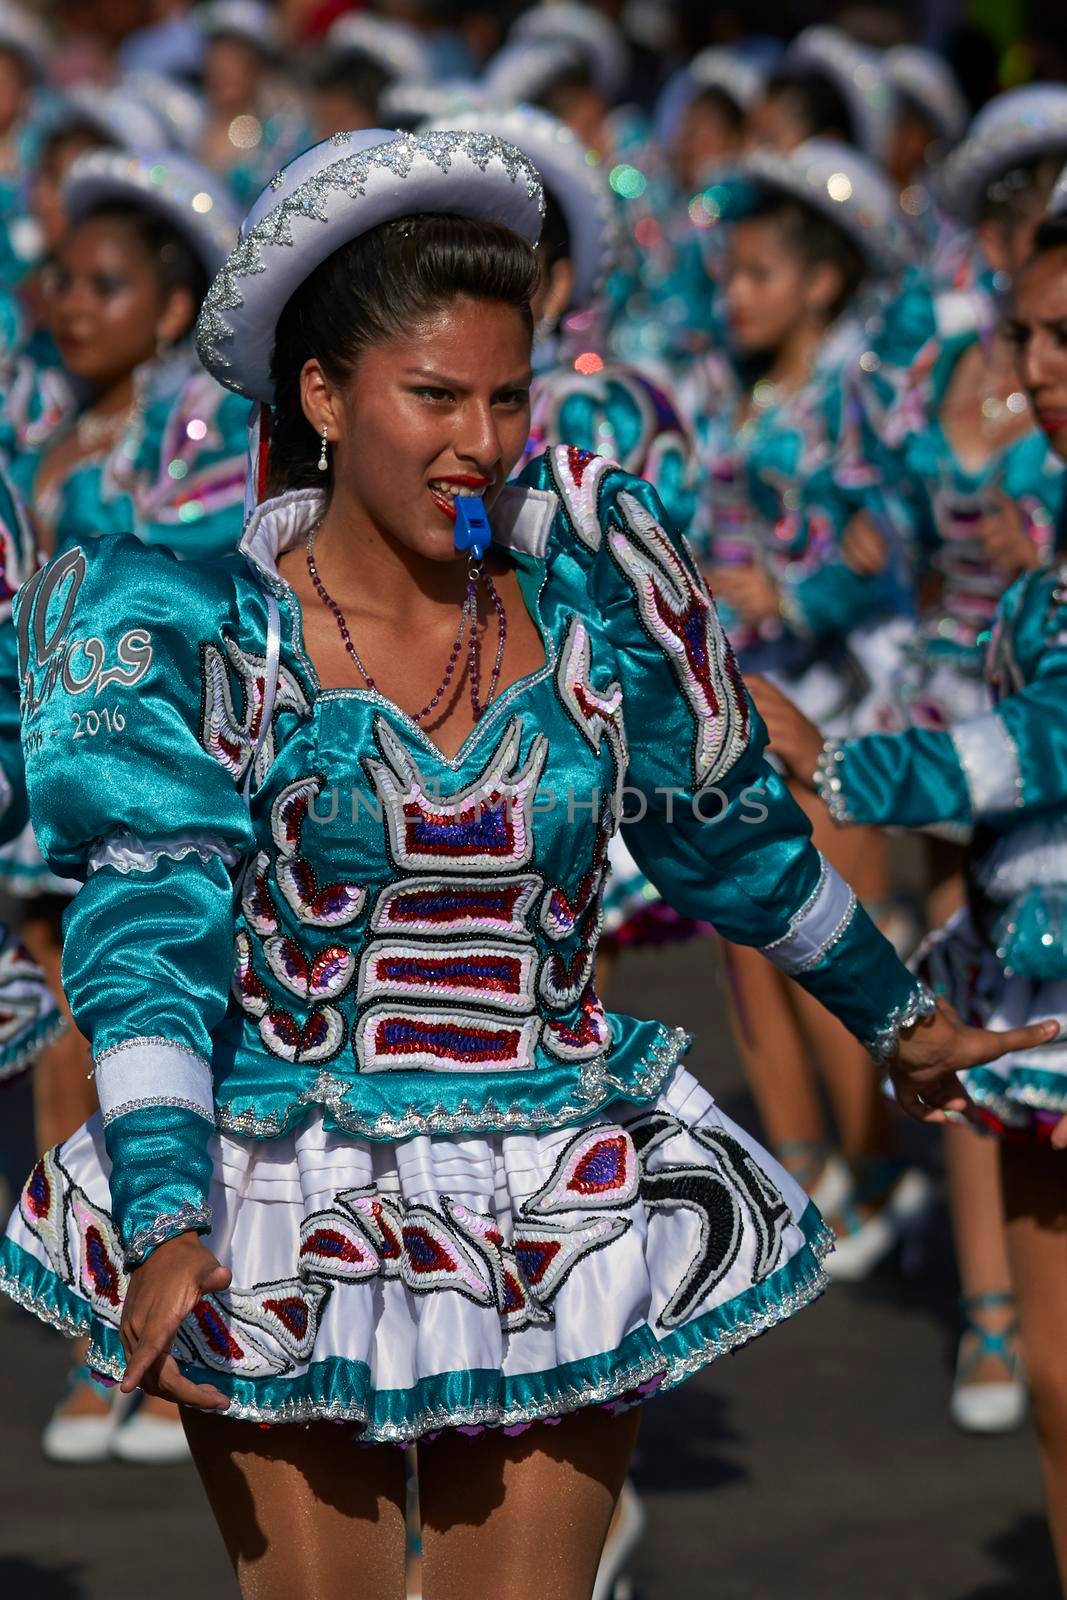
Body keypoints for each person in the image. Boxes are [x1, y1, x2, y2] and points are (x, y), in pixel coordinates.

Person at [0, 128, 1051, 1600]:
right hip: (275, 1191)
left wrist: (895, 1016)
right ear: (319, 393)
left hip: (550, 1183)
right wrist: (167, 1209)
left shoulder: (591, 596)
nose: (478, 444)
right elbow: (149, 934)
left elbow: (728, 838)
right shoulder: (202, 626)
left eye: (506, 398)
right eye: (431, 396)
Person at [747, 196, 1067, 1588]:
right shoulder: (1035, 558)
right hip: (1031, 965)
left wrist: (844, 765)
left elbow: (1046, 739)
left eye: (1064, 338)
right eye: (1023, 334)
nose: (1033, 365)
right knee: (1059, 1387)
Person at [0, 146, 247, 1465]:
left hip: (157, 777)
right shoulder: (50, 427)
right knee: (58, 1049)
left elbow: (189, 598)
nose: (73, 304)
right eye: (61, 281)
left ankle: (149, 1322)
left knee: (142, 1030)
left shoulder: (195, 438)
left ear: (169, 310)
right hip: (54, 767)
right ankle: (110, 1319)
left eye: (108, 285)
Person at [684, 138, 928, 1274]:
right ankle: (800, 1165)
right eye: (726, 277)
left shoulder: (854, 397)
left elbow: (886, 551)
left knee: (836, 928)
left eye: (757, 277)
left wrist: (790, 587)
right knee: (751, 940)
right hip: (745, 689)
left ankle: (878, 1165)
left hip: (838, 693)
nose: (732, 297)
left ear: (820, 282)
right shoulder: (739, 391)